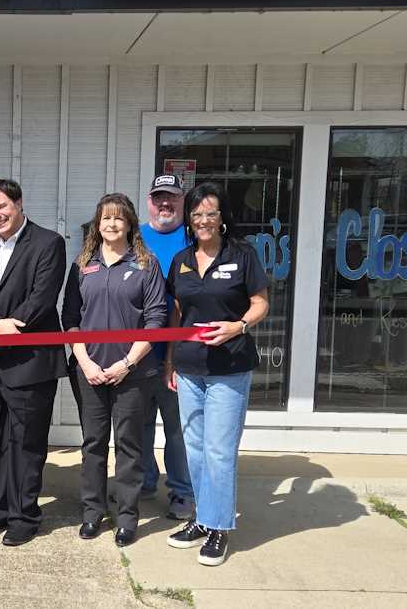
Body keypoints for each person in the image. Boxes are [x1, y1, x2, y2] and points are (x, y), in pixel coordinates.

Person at [163, 182, 270, 567]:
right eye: (197, 215)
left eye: (210, 213)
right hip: (190, 368)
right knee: (194, 449)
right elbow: (177, 314)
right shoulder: (181, 260)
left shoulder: (242, 256)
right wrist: (170, 363)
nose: (204, 221)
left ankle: (219, 528)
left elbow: (261, 304)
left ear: (222, 217)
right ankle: (202, 518)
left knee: (219, 452)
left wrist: (238, 325)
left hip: (230, 367)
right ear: (189, 222)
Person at [0, 179, 67, 547]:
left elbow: (40, 300)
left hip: (29, 362)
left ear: (19, 204)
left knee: (27, 442)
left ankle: (25, 514)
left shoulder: (48, 243)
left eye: (2, 207)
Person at [62, 193, 169, 547]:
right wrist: (86, 361)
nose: (111, 225)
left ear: (129, 224)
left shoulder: (146, 264)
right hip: (89, 371)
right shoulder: (81, 264)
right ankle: (92, 513)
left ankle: (126, 517)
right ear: (97, 223)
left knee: (129, 445)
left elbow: (156, 320)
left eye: (118, 219)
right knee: (93, 444)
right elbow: (70, 319)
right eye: (105, 218)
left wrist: (126, 363)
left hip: (133, 374)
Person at [139, 174, 196, 521]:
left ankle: (182, 491)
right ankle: (145, 480)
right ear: (149, 201)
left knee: (177, 429)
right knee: (140, 424)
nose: (165, 204)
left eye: (172, 198)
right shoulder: (135, 239)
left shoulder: (193, 238)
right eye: (159, 198)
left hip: (180, 355)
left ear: (182, 202)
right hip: (140, 354)